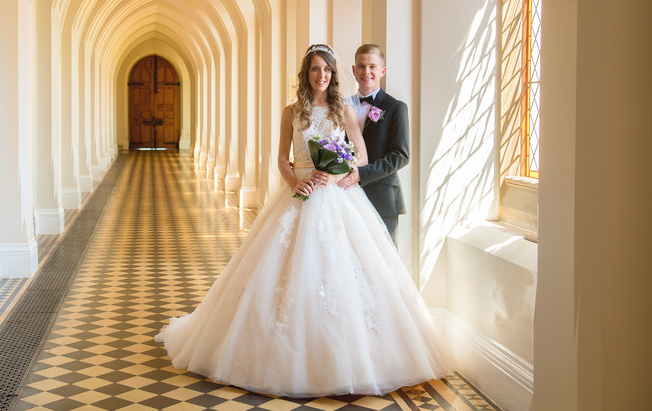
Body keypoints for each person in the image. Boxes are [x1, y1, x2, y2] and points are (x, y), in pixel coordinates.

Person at [156, 44, 449, 397]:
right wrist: (297, 181)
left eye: (326, 69)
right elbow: (281, 158)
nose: (321, 75)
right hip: (299, 193)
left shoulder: (346, 112)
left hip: (338, 197)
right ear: (305, 74)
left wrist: (334, 171)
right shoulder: (291, 112)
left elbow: (361, 155)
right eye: (314, 69)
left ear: (334, 74)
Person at [338, 44, 408, 246]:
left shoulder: (396, 108)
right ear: (353, 70)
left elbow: (400, 155)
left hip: (383, 197)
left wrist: (363, 173)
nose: (366, 72)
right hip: (346, 195)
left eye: (372, 66)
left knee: (384, 264)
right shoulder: (341, 106)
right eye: (361, 66)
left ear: (382, 71)